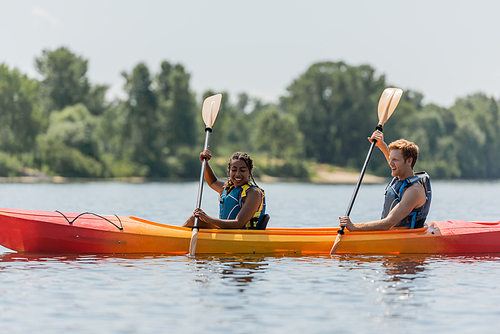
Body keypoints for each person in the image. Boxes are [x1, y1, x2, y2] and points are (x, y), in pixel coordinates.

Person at [339, 130, 431, 231]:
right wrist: (381, 145)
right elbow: (394, 163)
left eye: (395, 159)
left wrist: (355, 227)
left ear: (409, 161)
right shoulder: (400, 177)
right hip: (390, 235)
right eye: (390, 159)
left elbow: (388, 223)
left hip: (404, 240)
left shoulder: (414, 191)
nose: (390, 163)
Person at [183, 150, 266, 229]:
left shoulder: (253, 193)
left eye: (242, 170)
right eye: (233, 170)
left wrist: (208, 219)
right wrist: (205, 162)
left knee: (193, 220)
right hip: (227, 232)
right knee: (195, 219)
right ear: (229, 171)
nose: (237, 174)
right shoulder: (229, 188)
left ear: (249, 172)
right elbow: (212, 182)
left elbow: (238, 223)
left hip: (241, 235)